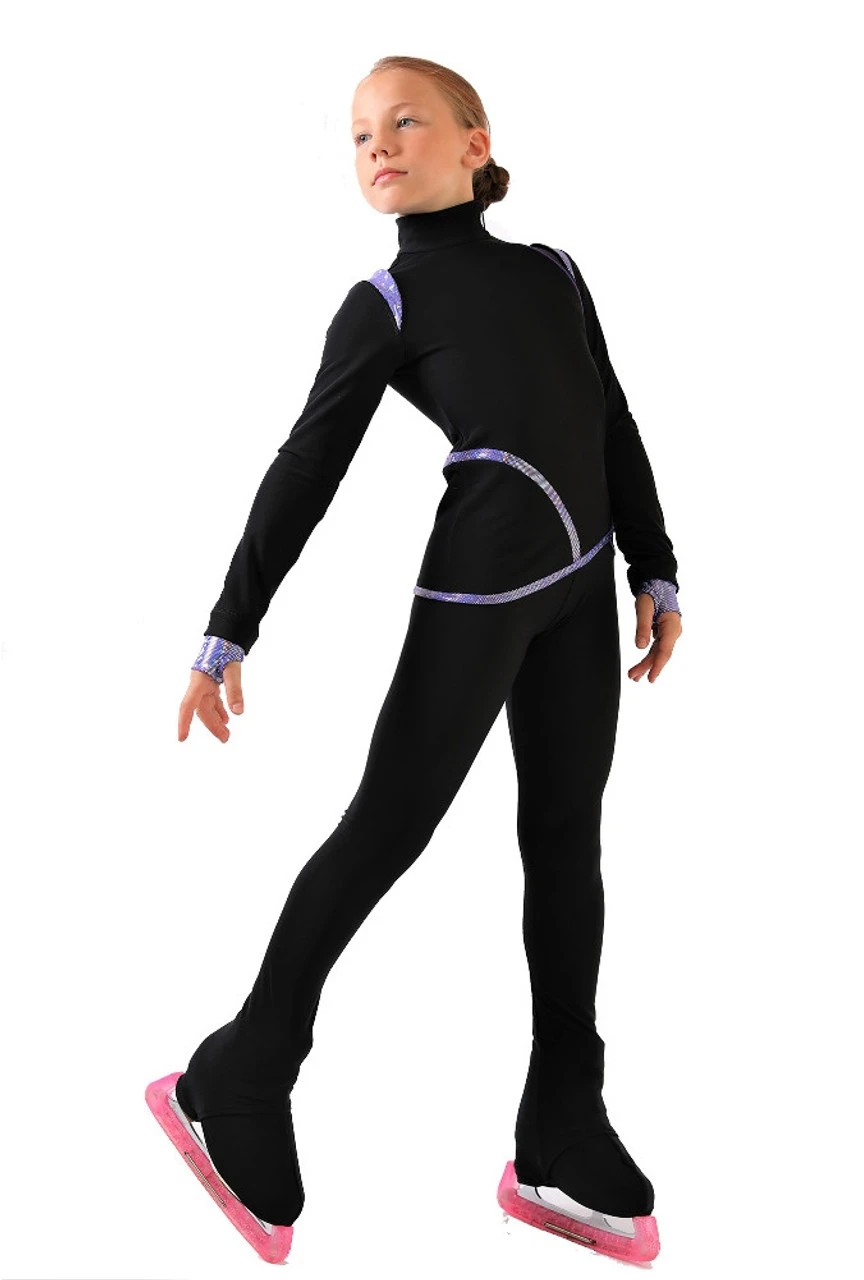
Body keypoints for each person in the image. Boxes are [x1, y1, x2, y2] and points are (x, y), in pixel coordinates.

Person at [163, 55, 682, 1261]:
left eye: (404, 121)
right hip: (477, 594)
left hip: (581, 588)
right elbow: (306, 468)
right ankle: (242, 1068)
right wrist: (231, 624)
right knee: (388, 826)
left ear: (473, 142)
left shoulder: (553, 272)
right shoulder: (386, 304)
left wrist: (655, 564)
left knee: (568, 839)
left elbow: (607, 415)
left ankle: (561, 1120)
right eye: (358, 135)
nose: (378, 145)